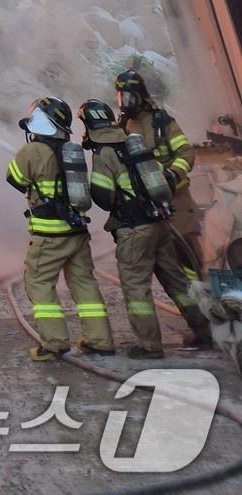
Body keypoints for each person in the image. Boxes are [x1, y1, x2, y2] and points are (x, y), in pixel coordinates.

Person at [81, 99, 212, 358]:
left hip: (134, 230)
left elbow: (104, 197)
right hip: (160, 224)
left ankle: (149, 346)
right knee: (177, 283)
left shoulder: (103, 153)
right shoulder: (134, 142)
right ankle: (204, 330)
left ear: (89, 125)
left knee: (136, 289)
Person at [6, 96, 115, 360]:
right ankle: (100, 341)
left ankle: (54, 343)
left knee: (39, 283)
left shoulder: (32, 151)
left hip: (49, 236)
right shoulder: (71, 149)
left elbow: (15, 179)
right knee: (84, 283)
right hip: (77, 233)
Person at [115, 70, 203, 279]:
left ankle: (200, 287)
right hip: (147, 201)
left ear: (140, 95)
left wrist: (174, 175)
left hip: (176, 195)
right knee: (164, 253)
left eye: (129, 97)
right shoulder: (123, 126)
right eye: (120, 97)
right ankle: (184, 291)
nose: (124, 103)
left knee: (186, 247)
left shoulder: (161, 122)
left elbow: (185, 152)